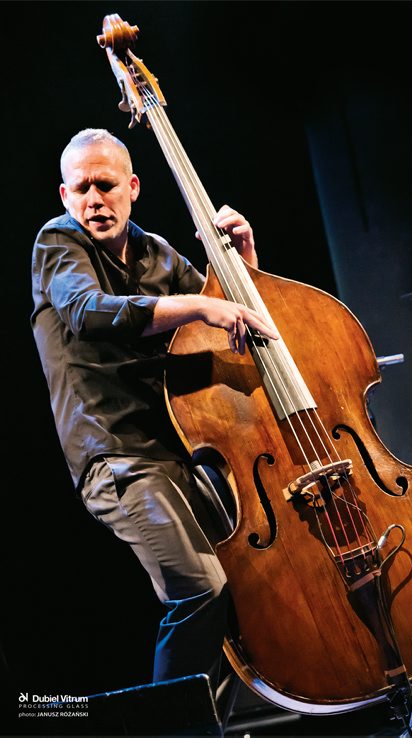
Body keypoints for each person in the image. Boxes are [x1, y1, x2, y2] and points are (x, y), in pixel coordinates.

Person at [30, 128, 279, 690]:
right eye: (81, 189)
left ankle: (205, 725)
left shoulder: (157, 254)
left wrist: (243, 263)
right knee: (200, 589)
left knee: (241, 594)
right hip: (116, 456)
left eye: (106, 185)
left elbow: (232, 321)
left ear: (133, 187)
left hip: (180, 455)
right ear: (65, 196)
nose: (95, 199)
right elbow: (89, 312)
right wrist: (196, 306)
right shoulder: (58, 243)